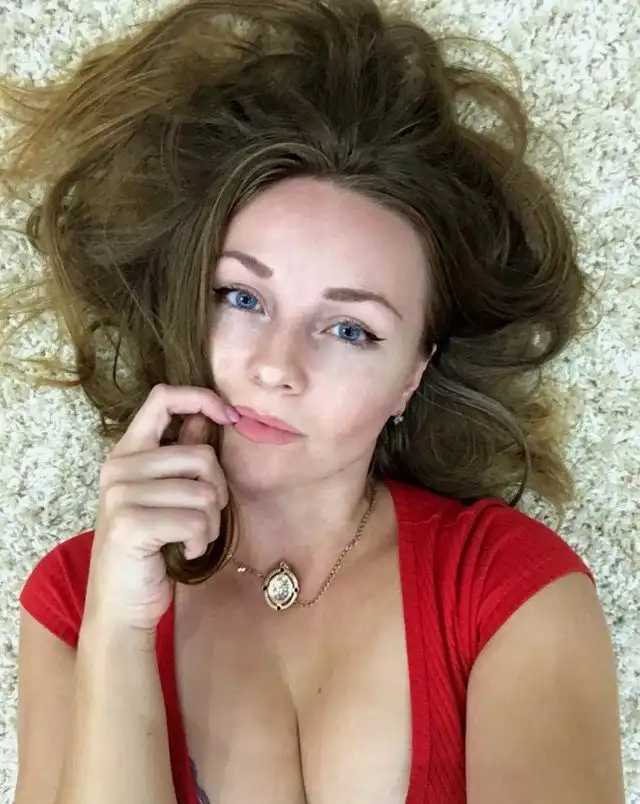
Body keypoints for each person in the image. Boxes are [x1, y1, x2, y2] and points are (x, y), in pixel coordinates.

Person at [0, 0, 625, 802]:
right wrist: (119, 633)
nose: (275, 367)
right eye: (242, 297)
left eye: (350, 330)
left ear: (412, 376)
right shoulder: (72, 602)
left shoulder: (510, 587)